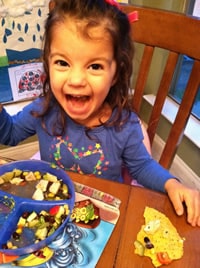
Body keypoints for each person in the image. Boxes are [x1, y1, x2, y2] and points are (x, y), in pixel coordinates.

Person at [0, 0, 199, 227]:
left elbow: (142, 167)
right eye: (62, 62)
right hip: (51, 208)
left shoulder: (124, 125)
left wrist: (172, 184)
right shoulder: (44, 109)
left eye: (95, 66)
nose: (76, 80)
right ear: (47, 64)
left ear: (116, 74)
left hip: (101, 215)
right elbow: (10, 133)